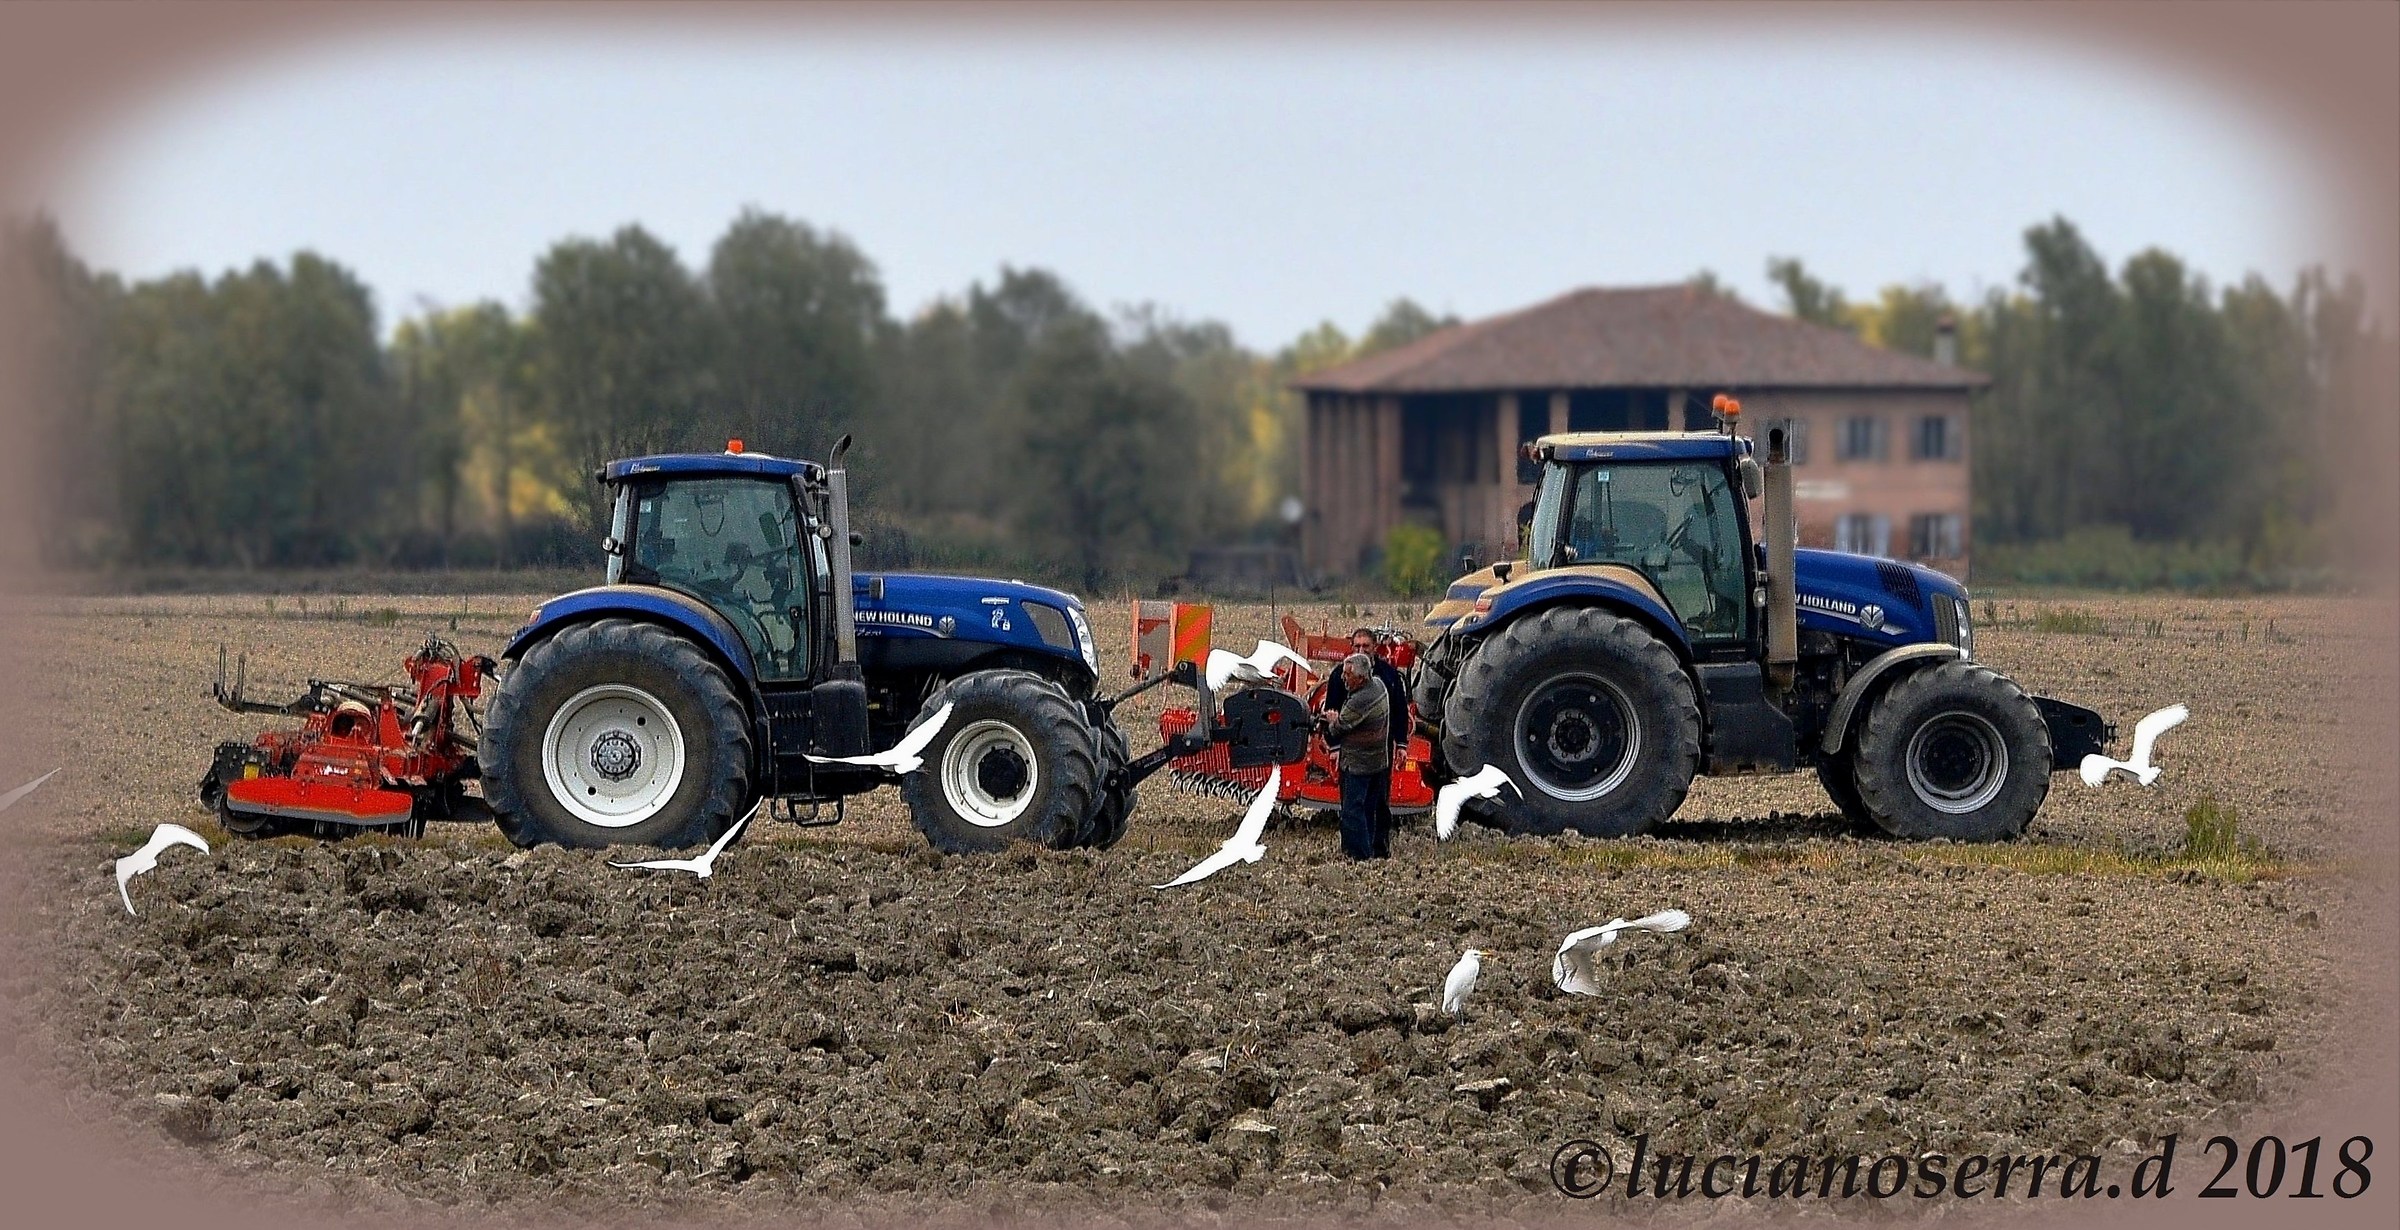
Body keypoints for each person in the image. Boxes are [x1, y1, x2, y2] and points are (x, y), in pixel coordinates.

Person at [1321, 628, 1409, 854]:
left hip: (1375, 753)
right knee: (1359, 804)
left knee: (1373, 804)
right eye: (1357, 646)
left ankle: (1372, 850)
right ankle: (1363, 851)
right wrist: (1334, 748)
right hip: (1353, 750)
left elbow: (1400, 710)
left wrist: (1401, 744)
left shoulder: (1388, 677)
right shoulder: (1340, 676)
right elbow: (1331, 708)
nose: (1361, 650)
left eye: (1365, 646)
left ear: (1375, 648)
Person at [1319, 652, 1391, 861]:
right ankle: (1375, 850)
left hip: (1358, 765)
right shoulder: (1379, 685)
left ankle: (1358, 856)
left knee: (1352, 811)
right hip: (1378, 762)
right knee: (1370, 807)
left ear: (1361, 678)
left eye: (1347, 674)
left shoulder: (1359, 700)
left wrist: (1332, 719)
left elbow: (1337, 729)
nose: (1343, 677)